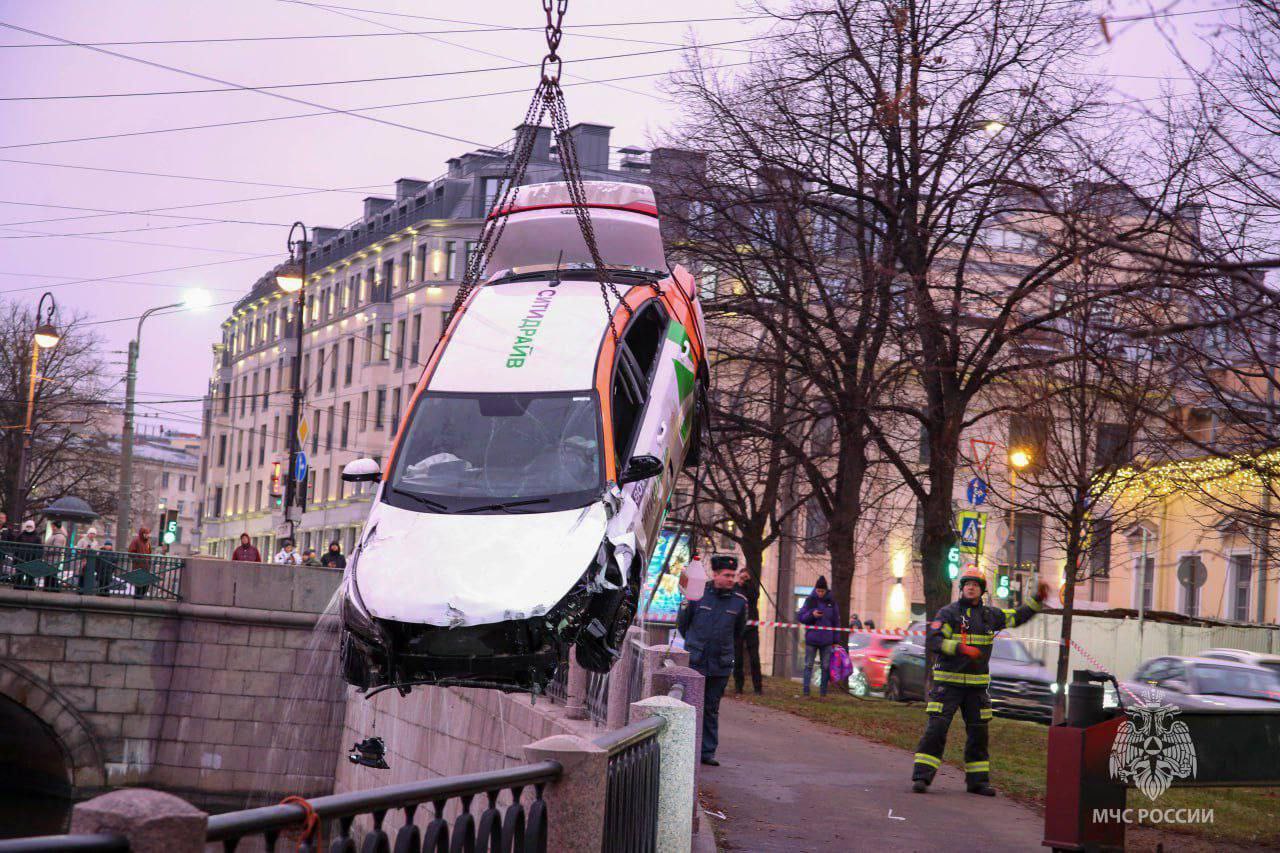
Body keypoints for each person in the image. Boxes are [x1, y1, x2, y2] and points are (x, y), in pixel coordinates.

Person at [911, 566, 1048, 797]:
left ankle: (977, 782)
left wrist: (1037, 600)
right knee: (936, 729)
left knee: (979, 734)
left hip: (976, 688)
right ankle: (922, 777)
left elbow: (1017, 616)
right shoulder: (948, 613)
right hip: (948, 685)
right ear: (962, 588)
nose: (971, 587)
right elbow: (934, 641)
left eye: (976, 584)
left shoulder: (990, 616)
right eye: (967, 584)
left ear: (982, 590)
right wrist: (961, 648)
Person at [677, 557, 747, 767]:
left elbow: (738, 632)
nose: (730, 579)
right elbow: (683, 624)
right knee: (690, 706)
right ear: (715, 574)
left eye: (732, 576)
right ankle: (687, 748)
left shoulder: (739, 601)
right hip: (696, 660)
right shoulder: (698, 595)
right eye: (726, 575)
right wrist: (696, 644)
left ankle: (707, 752)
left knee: (711, 708)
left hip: (721, 664)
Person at [798, 576, 841, 697]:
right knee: (808, 665)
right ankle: (806, 691)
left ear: (826, 590)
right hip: (812, 639)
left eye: (822, 591)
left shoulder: (832, 603)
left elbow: (836, 622)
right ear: (815, 589)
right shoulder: (810, 600)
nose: (820, 593)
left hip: (827, 640)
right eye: (818, 591)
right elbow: (801, 617)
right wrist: (812, 615)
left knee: (825, 667)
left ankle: (823, 693)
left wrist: (836, 640)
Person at [731, 561, 763, 695]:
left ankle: (758, 687)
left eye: (746, 577)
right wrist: (739, 584)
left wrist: (748, 583)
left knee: (754, 658)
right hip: (738, 627)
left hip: (751, 627)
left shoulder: (752, 588)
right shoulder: (734, 588)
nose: (743, 579)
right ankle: (739, 686)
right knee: (737, 659)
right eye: (741, 577)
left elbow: (754, 597)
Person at [127, 526, 152, 598]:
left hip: (146, 568)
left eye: (148, 534)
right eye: (146, 534)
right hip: (138, 568)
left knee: (145, 586)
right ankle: (137, 601)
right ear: (142, 534)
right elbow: (131, 553)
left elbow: (149, 555)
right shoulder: (136, 541)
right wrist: (138, 560)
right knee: (138, 587)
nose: (147, 535)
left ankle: (139, 599)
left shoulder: (148, 543)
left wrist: (148, 563)